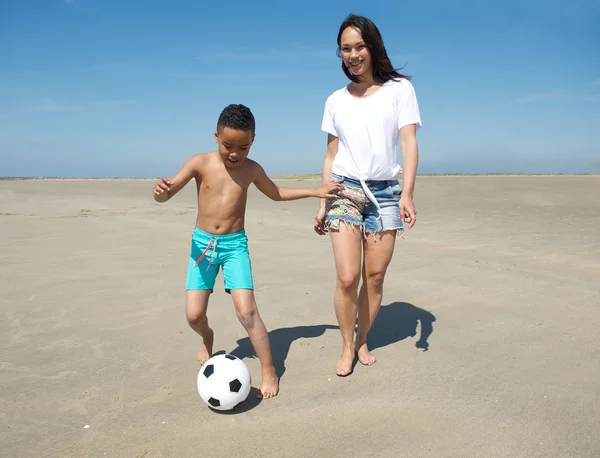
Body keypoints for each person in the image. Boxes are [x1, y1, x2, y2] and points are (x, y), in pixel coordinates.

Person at [153, 103, 343, 399]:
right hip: (202, 247)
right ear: (215, 135)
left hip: (234, 247)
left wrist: (315, 191)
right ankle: (207, 337)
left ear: (253, 141)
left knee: (247, 312)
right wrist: (161, 193)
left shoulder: (252, 170)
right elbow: (167, 195)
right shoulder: (199, 162)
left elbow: (276, 193)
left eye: (243, 147)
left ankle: (269, 370)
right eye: (228, 145)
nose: (235, 154)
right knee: (193, 315)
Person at [313, 14, 422, 376]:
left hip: (387, 192)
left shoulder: (400, 90)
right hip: (343, 189)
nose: (353, 54)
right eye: (346, 49)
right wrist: (321, 201)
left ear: (373, 47)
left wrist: (407, 193)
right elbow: (331, 154)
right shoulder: (335, 100)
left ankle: (362, 339)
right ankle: (347, 345)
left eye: (360, 46)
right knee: (348, 277)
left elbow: (408, 142)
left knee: (374, 277)